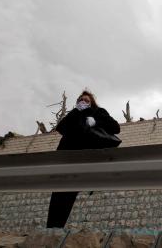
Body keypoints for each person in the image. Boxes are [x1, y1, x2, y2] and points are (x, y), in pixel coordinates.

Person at [46, 90, 120, 228]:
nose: (83, 102)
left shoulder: (99, 112)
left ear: (92, 102)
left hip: (84, 159)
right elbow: (61, 128)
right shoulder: (74, 114)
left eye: (87, 100)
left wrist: (95, 121)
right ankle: (52, 229)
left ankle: (56, 228)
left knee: (69, 194)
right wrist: (76, 111)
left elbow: (115, 128)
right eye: (81, 100)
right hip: (66, 158)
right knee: (58, 195)